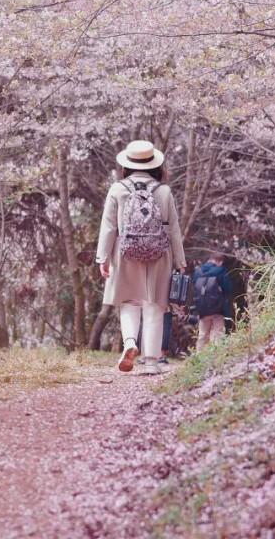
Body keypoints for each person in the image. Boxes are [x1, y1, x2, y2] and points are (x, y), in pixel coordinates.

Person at [95, 140, 186, 374]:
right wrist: (180, 261)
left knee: (129, 302)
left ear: (127, 164)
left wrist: (102, 257)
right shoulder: (164, 191)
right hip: (159, 253)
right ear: (154, 164)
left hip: (125, 252)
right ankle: (152, 363)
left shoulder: (118, 189)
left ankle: (130, 343)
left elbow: (108, 226)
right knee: (155, 306)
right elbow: (174, 228)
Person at [191, 253, 233, 350]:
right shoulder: (221, 270)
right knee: (217, 333)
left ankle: (199, 358)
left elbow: (195, 289)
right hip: (218, 309)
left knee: (202, 334)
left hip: (202, 309)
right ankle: (215, 358)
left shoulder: (198, 271)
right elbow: (228, 288)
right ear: (220, 261)